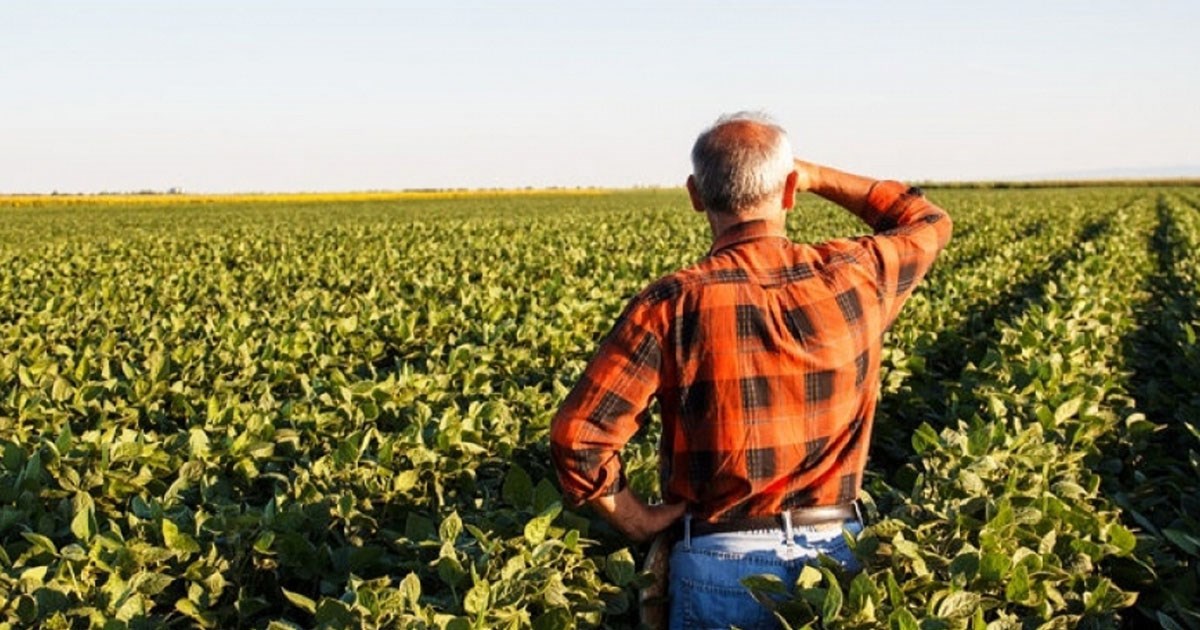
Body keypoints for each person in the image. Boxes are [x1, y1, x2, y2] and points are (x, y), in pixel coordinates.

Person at [549, 112, 952, 629]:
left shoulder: (672, 303)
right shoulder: (857, 274)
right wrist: (817, 176)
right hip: (835, 562)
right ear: (789, 191)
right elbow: (927, 221)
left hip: (718, 563)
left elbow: (579, 438)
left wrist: (637, 518)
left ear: (696, 194)